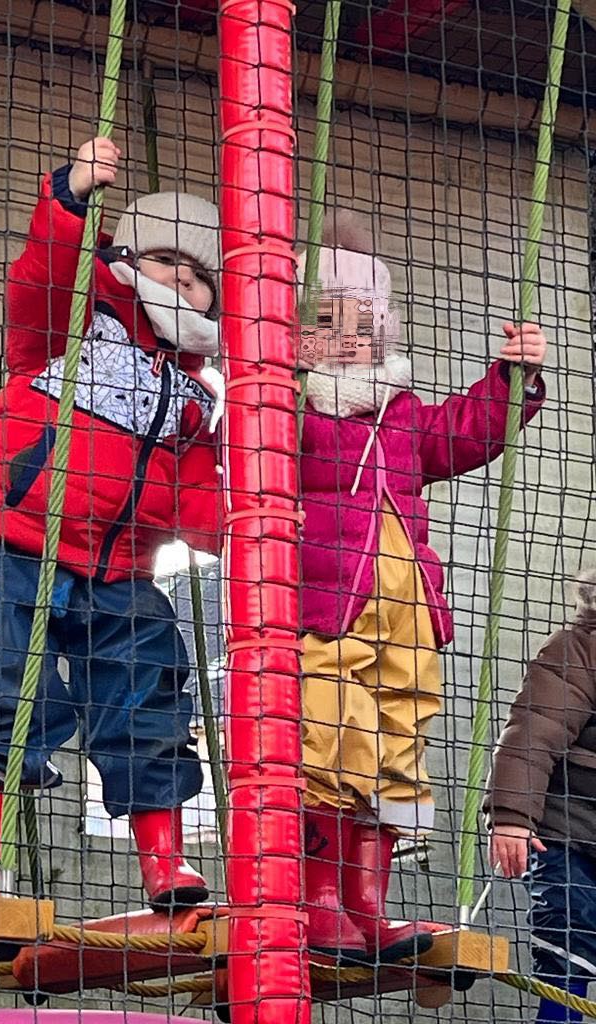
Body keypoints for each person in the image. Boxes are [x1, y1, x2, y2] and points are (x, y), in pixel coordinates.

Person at [0, 137, 223, 910]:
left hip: (123, 569)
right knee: (4, 688)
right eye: (169, 262)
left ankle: (166, 862)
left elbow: (199, 487)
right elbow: (42, 271)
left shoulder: (196, 395)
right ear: (128, 260)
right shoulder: (73, 321)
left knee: (150, 698)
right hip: (20, 542)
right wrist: (69, 197)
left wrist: (228, 529)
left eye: (200, 279)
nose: (183, 283)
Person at [296, 213, 547, 963]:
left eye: (366, 323)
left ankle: (370, 902)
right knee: (329, 733)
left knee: (401, 747)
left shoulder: (401, 416)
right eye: (328, 321)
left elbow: (469, 430)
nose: (350, 337)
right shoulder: (290, 409)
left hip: (406, 607)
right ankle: (318, 897)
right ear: (297, 334)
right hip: (329, 605)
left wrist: (513, 378)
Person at [484, 568, 596, 1024]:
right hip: (566, 827)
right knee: (571, 920)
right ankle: (557, 1017)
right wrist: (512, 816)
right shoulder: (578, 649)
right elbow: (534, 730)